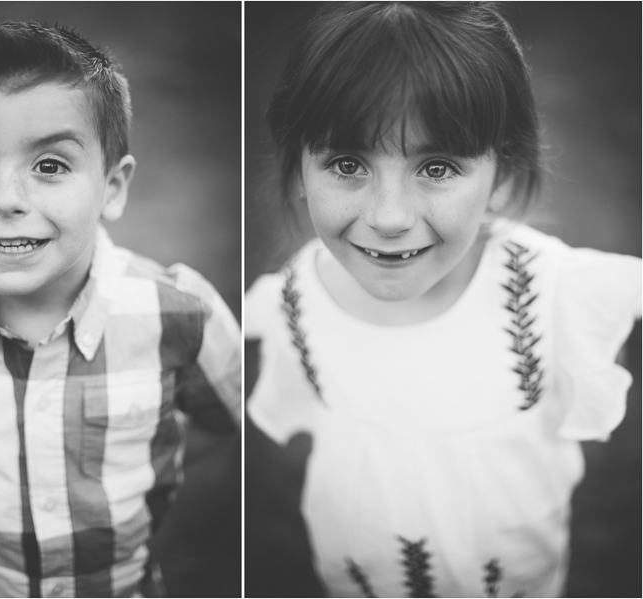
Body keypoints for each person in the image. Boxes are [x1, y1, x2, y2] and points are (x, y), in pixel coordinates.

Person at [244, 3, 641, 597]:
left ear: (502, 173)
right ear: (300, 168)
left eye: (437, 166)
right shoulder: (297, 303)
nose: (389, 217)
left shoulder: (555, 294)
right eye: (347, 164)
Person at [0, 15, 240, 598]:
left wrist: (148, 455)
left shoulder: (180, 315)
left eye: (50, 166)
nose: (5, 200)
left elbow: (224, 414)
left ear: (113, 188)